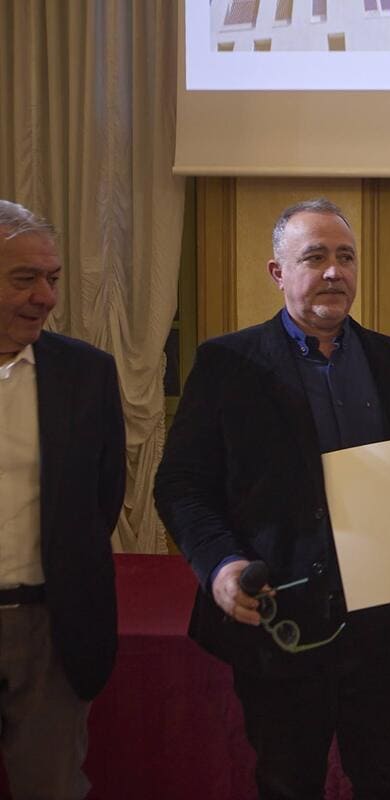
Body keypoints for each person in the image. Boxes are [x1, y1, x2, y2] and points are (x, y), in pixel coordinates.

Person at [155, 198, 390, 800]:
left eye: (346, 257)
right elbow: (181, 484)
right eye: (315, 257)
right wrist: (220, 565)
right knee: (288, 784)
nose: (334, 272)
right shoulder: (226, 364)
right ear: (278, 271)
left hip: (384, 629)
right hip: (281, 622)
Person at [0, 200, 125, 799]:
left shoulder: (86, 374)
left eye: (52, 278)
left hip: (51, 627)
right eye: (24, 279)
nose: (46, 297)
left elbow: (102, 498)